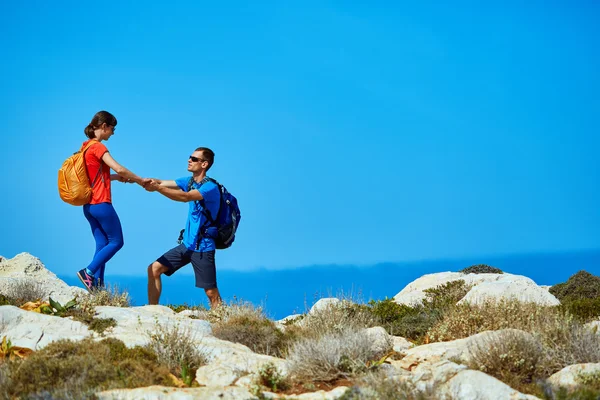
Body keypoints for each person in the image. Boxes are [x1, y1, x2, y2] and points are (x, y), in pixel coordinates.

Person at [76, 111, 147, 292]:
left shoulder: (85, 147)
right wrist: (140, 180)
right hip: (101, 203)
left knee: (102, 245)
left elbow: (95, 175)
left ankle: (96, 287)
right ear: (104, 126)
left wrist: (114, 178)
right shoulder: (98, 147)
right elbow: (119, 167)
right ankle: (88, 272)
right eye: (112, 129)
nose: (113, 133)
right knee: (116, 241)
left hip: (88, 206)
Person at [144, 147, 223, 308]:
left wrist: (157, 188)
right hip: (187, 244)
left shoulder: (210, 188)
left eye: (194, 159)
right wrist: (139, 180)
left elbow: (184, 197)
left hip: (203, 247)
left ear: (204, 164)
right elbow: (161, 182)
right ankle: (152, 311)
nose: (189, 160)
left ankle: (223, 321)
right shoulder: (188, 181)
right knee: (154, 269)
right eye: (190, 157)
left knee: (210, 292)